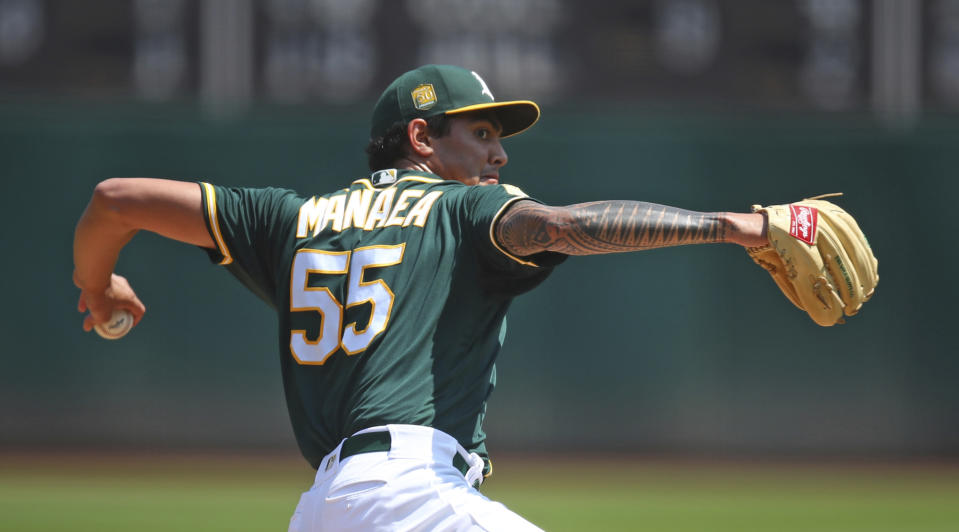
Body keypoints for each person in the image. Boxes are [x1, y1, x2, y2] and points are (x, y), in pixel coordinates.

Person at [73, 64, 768, 531]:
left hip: (324, 508)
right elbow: (562, 226)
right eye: (483, 133)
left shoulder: (290, 219)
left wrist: (97, 288)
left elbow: (115, 200)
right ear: (420, 138)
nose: (498, 157)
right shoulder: (460, 212)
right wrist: (736, 227)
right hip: (408, 495)